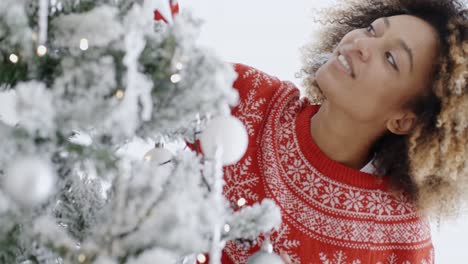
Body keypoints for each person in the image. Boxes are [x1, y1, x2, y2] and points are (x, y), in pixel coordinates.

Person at [215, 0, 468, 263]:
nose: (361, 43)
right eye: (372, 30)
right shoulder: (245, 96)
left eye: (390, 58)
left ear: (403, 120)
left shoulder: (402, 242)